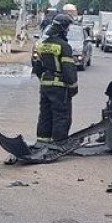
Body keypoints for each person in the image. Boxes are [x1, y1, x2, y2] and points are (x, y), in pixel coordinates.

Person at [31, 14, 79, 146]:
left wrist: (45, 79)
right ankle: (58, 144)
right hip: (60, 87)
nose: (68, 30)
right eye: (67, 27)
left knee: (45, 115)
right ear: (63, 28)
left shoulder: (43, 45)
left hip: (45, 85)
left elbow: (37, 67)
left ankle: (41, 142)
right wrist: (73, 88)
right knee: (61, 116)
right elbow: (69, 70)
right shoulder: (64, 46)